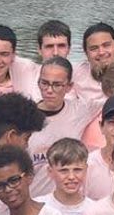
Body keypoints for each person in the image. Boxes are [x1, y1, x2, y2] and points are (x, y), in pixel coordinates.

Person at [27, 57, 93, 196]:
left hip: (66, 199)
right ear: (38, 83)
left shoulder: (81, 110)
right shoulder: (23, 116)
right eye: (45, 83)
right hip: (33, 200)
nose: (49, 90)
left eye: (57, 85)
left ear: (69, 87)